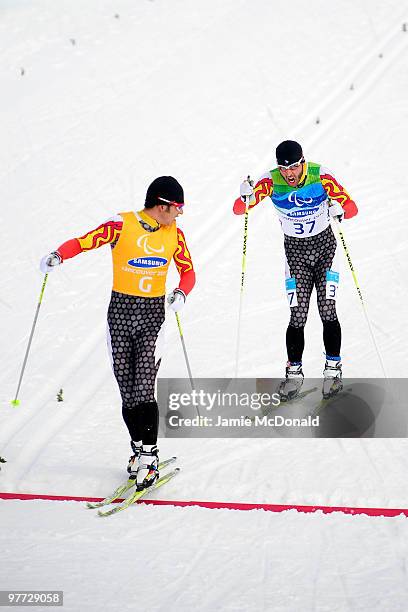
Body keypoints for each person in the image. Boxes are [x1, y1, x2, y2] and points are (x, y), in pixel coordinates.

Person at [40, 176, 195, 489]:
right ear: (162, 205)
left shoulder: (174, 235)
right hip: (120, 316)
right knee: (126, 392)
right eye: (177, 207)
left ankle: (149, 459)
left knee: (142, 389)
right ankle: (138, 450)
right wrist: (58, 255)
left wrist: (180, 292)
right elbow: (85, 241)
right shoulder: (120, 225)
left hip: (152, 316)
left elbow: (188, 270)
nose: (179, 214)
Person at [233, 141, 358, 400]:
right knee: (298, 316)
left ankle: (332, 372)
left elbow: (352, 208)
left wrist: (340, 210)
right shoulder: (270, 181)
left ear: (303, 162)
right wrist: (244, 194)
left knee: (327, 309)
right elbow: (239, 209)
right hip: (295, 255)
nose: (289, 174)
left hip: (326, 251)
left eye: (293, 167)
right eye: (284, 168)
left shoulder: (321, 176)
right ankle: (294, 375)